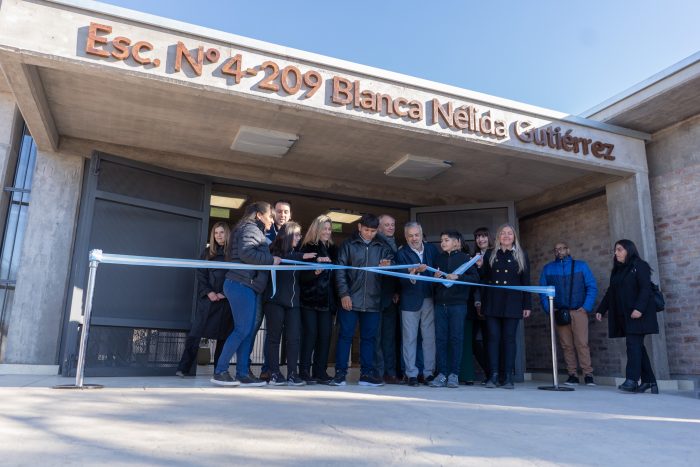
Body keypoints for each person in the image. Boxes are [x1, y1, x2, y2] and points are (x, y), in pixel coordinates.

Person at [211, 202, 281, 387]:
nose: (272, 220)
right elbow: (247, 254)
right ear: (259, 215)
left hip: (245, 285)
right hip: (241, 284)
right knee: (242, 329)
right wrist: (270, 259)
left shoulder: (249, 229)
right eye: (270, 216)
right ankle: (220, 371)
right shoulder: (250, 229)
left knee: (247, 331)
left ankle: (243, 373)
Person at [330, 213, 394, 387]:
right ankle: (340, 374)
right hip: (350, 300)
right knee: (345, 337)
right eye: (366, 230)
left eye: (373, 231)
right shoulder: (348, 245)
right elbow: (340, 272)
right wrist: (344, 294)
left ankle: (366, 375)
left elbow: (393, 266)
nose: (370, 234)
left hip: (373, 301)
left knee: (369, 339)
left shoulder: (383, 246)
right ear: (359, 227)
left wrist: (388, 265)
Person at [596, 239, 660, 394]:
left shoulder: (640, 266)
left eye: (619, 249)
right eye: (615, 250)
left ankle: (631, 380)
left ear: (629, 250)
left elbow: (645, 289)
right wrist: (601, 309)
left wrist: (639, 308)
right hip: (625, 315)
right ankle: (649, 381)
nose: (616, 253)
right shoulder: (617, 270)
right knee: (638, 347)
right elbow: (611, 292)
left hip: (640, 314)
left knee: (632, 346)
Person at [176, 222, 234, 377]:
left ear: (227, 234)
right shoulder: (207, 253)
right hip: (208, 300)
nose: (219, 235)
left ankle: (219, 370)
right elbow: (201, 274)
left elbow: (236, 274)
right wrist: (209, 292)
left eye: (222, 232)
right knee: (195, 333)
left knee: (223, 337)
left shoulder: (234, 254)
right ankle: (183, 368)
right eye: (216, 233)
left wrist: (224, 293)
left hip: (226, 301)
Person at [263, 222, 317, 386]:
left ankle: (293, 373)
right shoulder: (273, 250)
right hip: (275, 301)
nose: (299, 238)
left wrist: (314, 273)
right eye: (297, 234)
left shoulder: (297, 254)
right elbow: (284, 260)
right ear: (287, 235)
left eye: (300, 235)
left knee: (294, 338)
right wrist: (302, 257)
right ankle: (274, 373)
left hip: (294, 303)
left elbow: (300, 279)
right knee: (274, 338)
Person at [539, 242, 598, 386]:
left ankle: (588, 374)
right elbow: (542, 291)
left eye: (561, 248)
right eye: (556, 249)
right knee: (566, 345)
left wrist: (586, 307)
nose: (558, 251)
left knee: (582, 344)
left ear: (568, 250)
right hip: (560, 312)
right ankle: (572, 375)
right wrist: (549, 309)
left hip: (579, 311)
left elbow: (591, 286)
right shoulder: (548, 268)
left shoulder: (581, 266)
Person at [481, 223, 532, 390]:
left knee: (509, 340)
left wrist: (527, 304)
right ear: (498, 237)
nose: (506, 236)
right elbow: (484, 280)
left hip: (513, 302)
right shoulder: (490, 254)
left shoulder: (521, 254)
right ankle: (494, 375)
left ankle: (508, 376)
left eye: (510, 233)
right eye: (503, 233)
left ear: (514, 237)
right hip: (493, 302)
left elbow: (526, 281)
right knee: (493, 339)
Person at [430, 230, 480, 388]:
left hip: (458, 305)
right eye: (442, 240)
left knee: (456, 339)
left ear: (456, 242)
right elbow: (432, 284)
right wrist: (435, 279)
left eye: (446, 240)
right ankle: (442, 374)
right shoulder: (438, 258)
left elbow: (475, 279)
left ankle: (454, 375)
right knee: (441, 340)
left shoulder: (465, 259)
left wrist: (458, 277)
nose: (442, 243)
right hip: (440, 305)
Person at [254, 199, 293, 382]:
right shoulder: (263, 231)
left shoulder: (294, 234)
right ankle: (247, 368)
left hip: (282, 293)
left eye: (286, 212)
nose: (282, 215)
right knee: (254, 328)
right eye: (279, 211)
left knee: (273, 332)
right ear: (273, 213)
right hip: (262, 287)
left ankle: (269, 369)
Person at [395, 222, 439, 387]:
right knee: (409, 339)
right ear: (406, 237)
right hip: (409, 301)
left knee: (429, 339)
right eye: (410, 236)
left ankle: (428, 373)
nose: (414, 238)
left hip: (429, 298)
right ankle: (411, 374)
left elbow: (438, 271)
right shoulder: (401, 254)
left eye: (417, 235)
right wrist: (413, 273)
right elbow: (399, 279)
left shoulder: (432, 250)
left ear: (421, 235)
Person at [299, 215, 337, 385]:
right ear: (317, 229)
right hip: (309, 300)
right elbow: (300, 276)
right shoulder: (307, 246)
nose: (327, 232)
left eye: (329, 229)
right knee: (310, 335)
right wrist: (315, 270)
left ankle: (320, 371)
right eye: (325, 229)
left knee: (326, 336)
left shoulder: (333, 249)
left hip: (327, 302)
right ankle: (304, 371)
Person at [374, 214, 401, 384]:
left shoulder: (395, 243)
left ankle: (390, 372)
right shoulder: (375, 243)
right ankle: (379, 372)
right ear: (379, 227)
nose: (390, 227)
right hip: (375, 296)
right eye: (387, 225)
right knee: (376, 338)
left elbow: (397, 271)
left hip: (391, 297)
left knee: (389, 338)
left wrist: (397, 290)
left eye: (392, 224)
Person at [470, 227, 492, 384]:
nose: (481, 239)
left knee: (492, 339)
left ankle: (495, 373)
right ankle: (489, 372)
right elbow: (475, 283)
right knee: (476, 342)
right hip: (476, 304)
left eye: (484, 236)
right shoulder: (473, 257)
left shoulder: (495, 254)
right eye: (478, 237)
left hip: (492, 303)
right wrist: (478, 302)